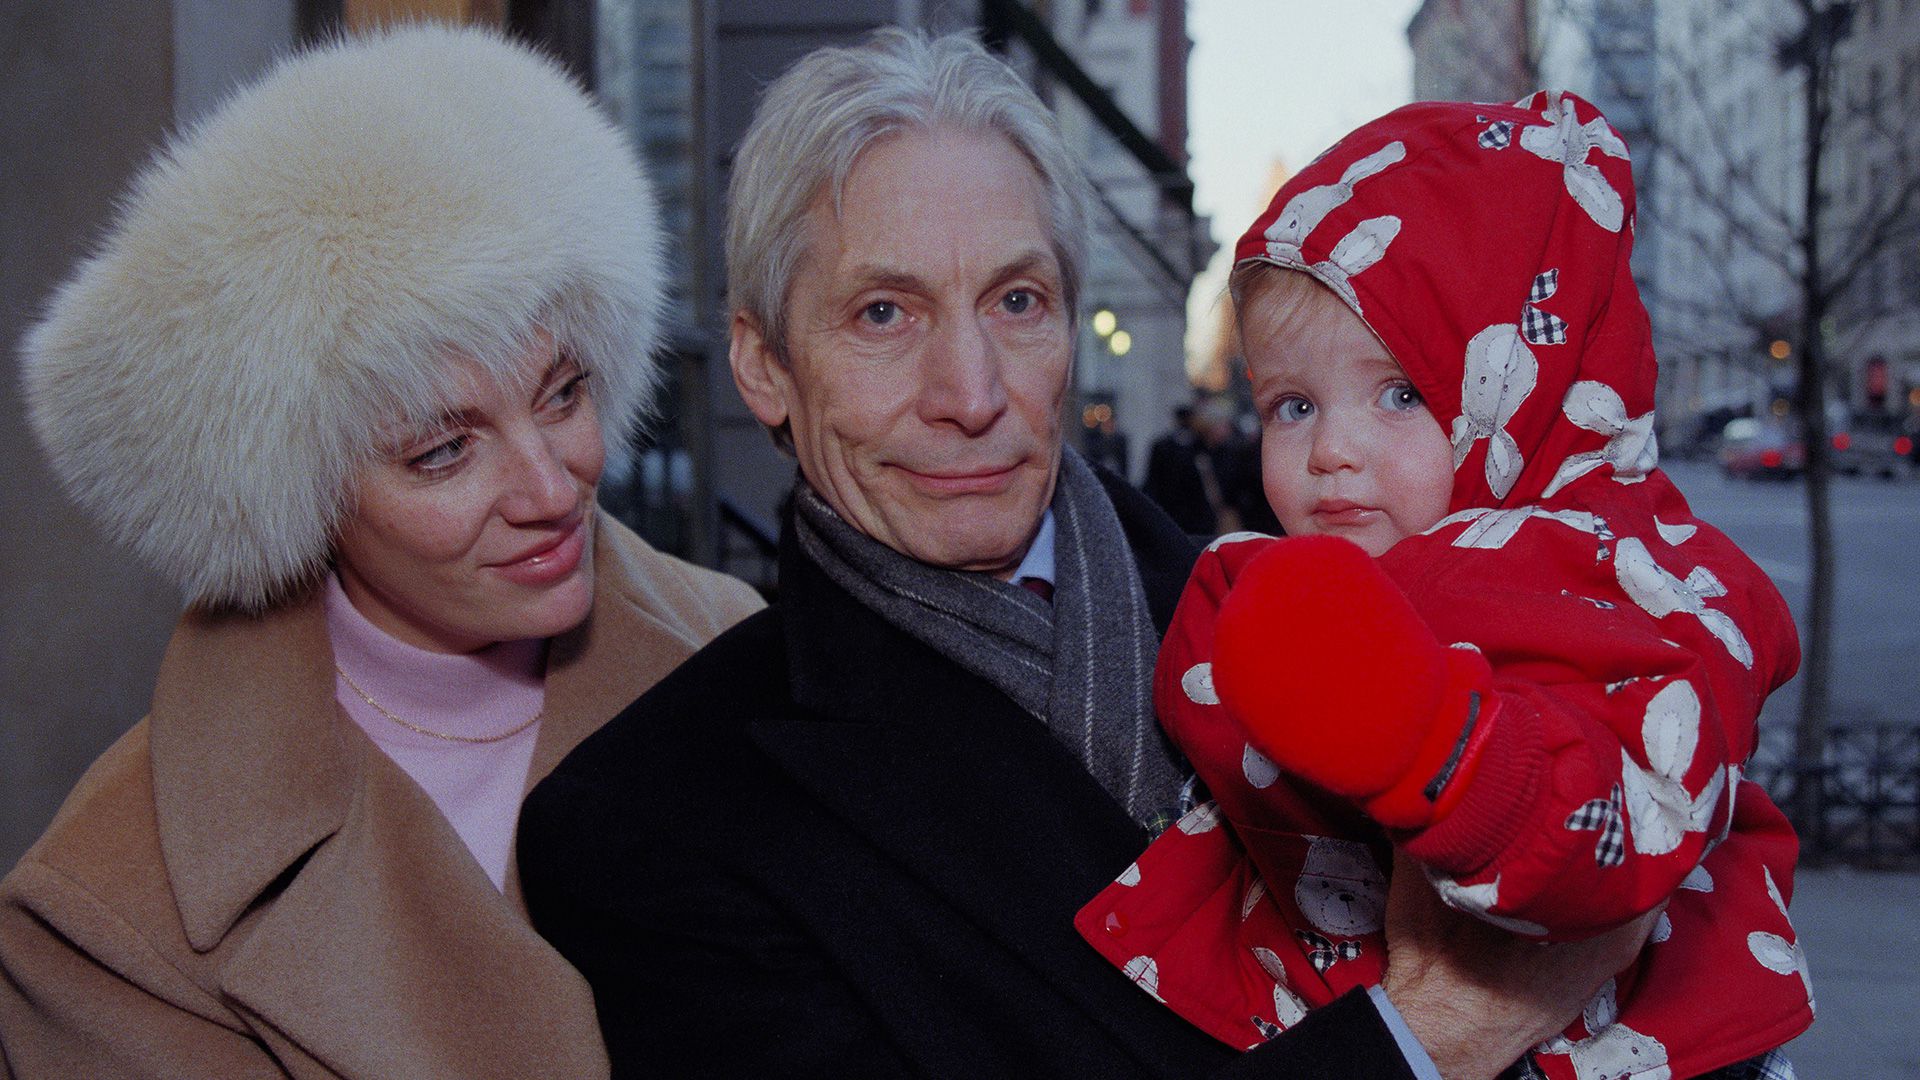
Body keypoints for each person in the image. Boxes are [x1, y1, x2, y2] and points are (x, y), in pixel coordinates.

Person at [517, 35, 1654, 1079]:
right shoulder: (654, 823)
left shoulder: (1330, 610)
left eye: (1017, 301)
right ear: (764, 366)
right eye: (882, 314)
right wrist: (1438, 1031)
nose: (971, 395)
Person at [0, 25, 762, 1078]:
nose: (552, 489)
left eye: (565, 393)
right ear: (299, 490)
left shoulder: (750, 661)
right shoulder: (109, 907)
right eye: (444, 451)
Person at [1075, 93, 1812, 1079]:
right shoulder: (1293, 576)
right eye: (1292, 404)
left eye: (1400, 392)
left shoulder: (1629, 574)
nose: (1332, 451)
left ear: (1520, 383)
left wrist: (1441, 748)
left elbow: (1638, 793)